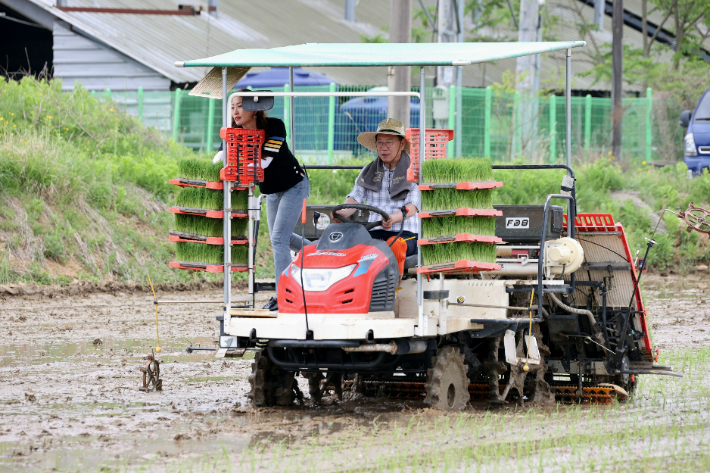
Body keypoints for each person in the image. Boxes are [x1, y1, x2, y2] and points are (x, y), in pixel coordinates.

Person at [215, 90, 309, 311]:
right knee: (283, 237)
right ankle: (319, 251)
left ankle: (284, 296)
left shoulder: (275, 126)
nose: (235, 111)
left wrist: (235, 168)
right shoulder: (234, 131)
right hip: (271, 191)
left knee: (278, 239)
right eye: (232, 107)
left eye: (240, 105)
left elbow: (264, 163)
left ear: (255, 108)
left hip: (293, 186)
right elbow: (219, 158)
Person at [333, 118, 420, 274]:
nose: (383, 148)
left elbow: (411, 207)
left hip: (404, 233)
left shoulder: (413, 172)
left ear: (401, 144)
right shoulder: (369, 170)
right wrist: (344, 212)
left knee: (394, 245)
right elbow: (356, 196)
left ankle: (393, 288)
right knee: (345, 244)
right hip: (373, 231)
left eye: (389, 142)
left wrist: (393, 218)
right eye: (380, 143)